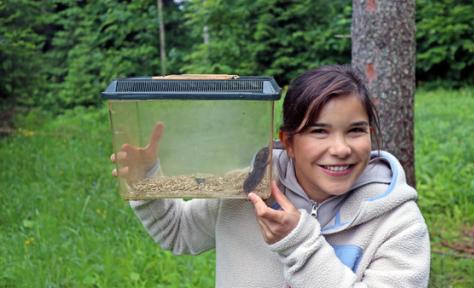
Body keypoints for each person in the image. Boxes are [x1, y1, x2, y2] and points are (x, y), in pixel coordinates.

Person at [111, 64, 430, 287]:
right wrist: (146, 178)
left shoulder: (398, 223)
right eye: (319, 131)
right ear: (288, 141)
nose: (341, 148)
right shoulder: (249, 186)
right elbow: (178, 232)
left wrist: (299, 244)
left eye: (355, 131)